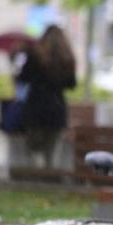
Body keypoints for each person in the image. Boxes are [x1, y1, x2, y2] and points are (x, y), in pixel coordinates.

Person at [16, 25, 77, 168]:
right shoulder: (67, 58)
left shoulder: (35, 55)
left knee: (32, 149)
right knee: (51, 153)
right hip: (56, 108)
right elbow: (72, 84)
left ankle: (34, 181)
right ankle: (50, 179)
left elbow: (23, 78)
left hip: (36, 108)